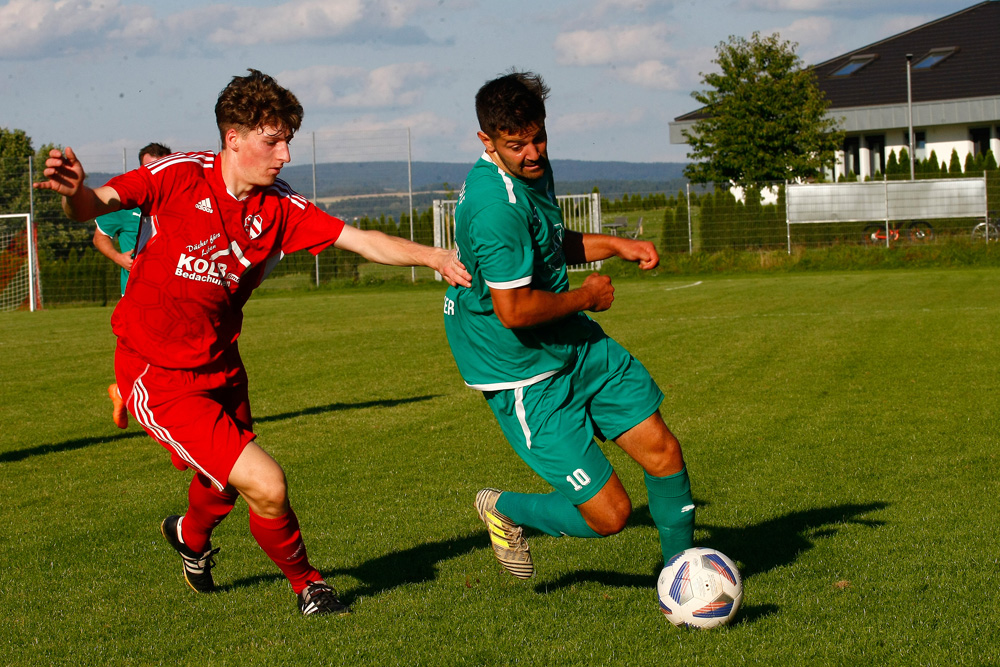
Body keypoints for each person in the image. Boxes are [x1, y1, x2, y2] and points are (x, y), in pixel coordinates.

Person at [35, 69, 470, 616]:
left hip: (220, 364)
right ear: (233, 138)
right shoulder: (177, 176)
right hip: (156, 371)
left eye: (288, 139)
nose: (285, 154)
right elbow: (93, 204)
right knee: (265, 482)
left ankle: (189, 537)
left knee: (222, 484)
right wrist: (76, 193)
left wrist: (434, 257)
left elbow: (360, 240)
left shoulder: (280, 207)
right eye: (273, 140)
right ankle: (309, 585)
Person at [442, 70, 694, 581]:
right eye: (517, 145)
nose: (533, 153)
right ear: (486, 141)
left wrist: (615, 244)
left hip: (570, 339)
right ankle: (506, 508)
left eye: (539, 138)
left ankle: (683, 578)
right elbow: (513, 311)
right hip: (523, 369)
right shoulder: (495, 210)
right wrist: (588, 296)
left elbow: (549, 240)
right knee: (611, 516)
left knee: (663, 450)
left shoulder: (532, 170)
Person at [94, 142, 172, 430]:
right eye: (149, 166)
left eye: (162, 165)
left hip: (175, 290)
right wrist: (118, 257)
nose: (156, 172)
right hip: (137, 292)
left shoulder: (179, 200)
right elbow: (99, 237)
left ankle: (122, 392)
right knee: (158, 351)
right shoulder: (127, 203)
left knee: (163, 352)